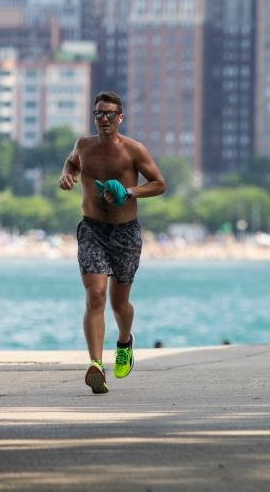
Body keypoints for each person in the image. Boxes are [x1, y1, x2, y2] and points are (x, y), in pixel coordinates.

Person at [58, 91, 167, 394]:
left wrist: (129, 192)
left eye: (109, 114)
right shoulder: (83, 146)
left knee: (119, 303)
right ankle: (96, 365)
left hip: (125, 233)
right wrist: (67, 176)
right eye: (98, 114)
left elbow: (159, 184)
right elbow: (71, 163)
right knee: (95, 295)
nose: (103, 119)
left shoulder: (133, 150)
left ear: (120, 117)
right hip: (92, 229)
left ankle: (125, 340)